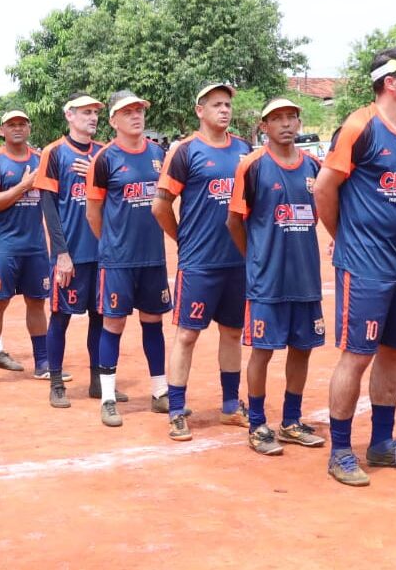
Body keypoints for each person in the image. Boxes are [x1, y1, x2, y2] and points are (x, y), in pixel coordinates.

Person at [313, 48, 396, 487]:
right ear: (390, 81)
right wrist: (341, 236)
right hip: (363, 262)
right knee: (357, 354)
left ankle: (382, 443)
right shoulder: (359, 126)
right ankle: (341, 450)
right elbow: (324, 189)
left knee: (394, 350)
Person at [226, 98, 327, 458]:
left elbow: (324, 213)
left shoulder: (315, 167)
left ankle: (291, 420)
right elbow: (234, 222)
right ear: (263, 127)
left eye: (291, 117)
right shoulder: (252, 167)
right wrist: (255, 257)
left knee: (302, 349)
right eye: (277, 119)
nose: (286, 124)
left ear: (299, 123)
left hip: (305, 279)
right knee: (263, 350)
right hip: (267, 280)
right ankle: (256, 423)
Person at [153, 83, 253, 441]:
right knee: (187, 334)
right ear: (200, 110)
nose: (224, 110)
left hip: (237, 261)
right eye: (216, 105)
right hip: (199, 262)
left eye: (227, 104)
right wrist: (182, 239)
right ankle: (177, 410)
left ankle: (230, 405)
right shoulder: (185, 152)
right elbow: (160, 205)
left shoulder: (244, 149)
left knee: (232, 333)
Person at [85, 90, 173, 427]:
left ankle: (160, 392)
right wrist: (111, 246)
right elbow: (94, 213)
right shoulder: (105, 159)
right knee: (114, 324)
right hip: (118, 260)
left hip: (152, 258)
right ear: (113, 121)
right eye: (127, 111)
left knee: (154, 322)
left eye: (139, 109)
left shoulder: (158, 154)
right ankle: (108, 398)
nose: (136, 115)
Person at [35, 93, 109, 408]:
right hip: (71, 253)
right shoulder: (54, 153)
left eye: (95, 112)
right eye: (85, 112)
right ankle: (55, 383)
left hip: (103, 252)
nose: (92, 117)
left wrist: (94, 170)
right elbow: (48, 207)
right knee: (61, 316)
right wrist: (61, 253)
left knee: (100, 318)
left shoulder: (104, 154)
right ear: (69, 115)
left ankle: (96, 382)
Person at [0, 110, 50, 389]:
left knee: (37, 302)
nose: (17, 128)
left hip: (36, 247)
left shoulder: (41, 160)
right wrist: (24, 185)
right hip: (4, 247)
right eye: (11, 125)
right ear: (1, 130)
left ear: (29, 128)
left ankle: (43, 363)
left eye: (22, 124)